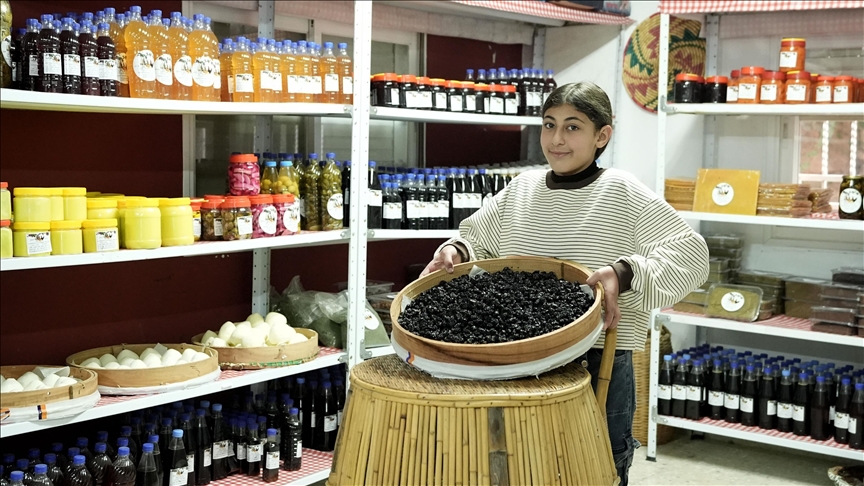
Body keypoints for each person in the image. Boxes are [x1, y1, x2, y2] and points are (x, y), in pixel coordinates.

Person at [420, 81, 710, 485]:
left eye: (573, 127)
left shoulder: (621, 191)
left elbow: (690, 254)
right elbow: (478, 237)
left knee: (596, 467)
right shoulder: (522, 189)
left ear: (602, 135)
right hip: (515, 360)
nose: (556, 139)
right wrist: (456, 251)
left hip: (597, 362)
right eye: (548, 124)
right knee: (521, 467)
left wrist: (623, 272)